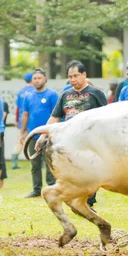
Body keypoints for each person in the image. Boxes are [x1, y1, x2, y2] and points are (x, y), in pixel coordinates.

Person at [36, 60, 107, 207]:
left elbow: (107, 117)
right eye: (70, 76)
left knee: (89, 172)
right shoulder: (65, 94)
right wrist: (43, 136)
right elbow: (55, 117)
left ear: (84, 75)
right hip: (68, 142)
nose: (73, 79)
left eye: (76, 76)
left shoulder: (96, 93)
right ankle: (75, 199)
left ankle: (89, 202)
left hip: (90, 141)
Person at [19, 68, 58, 198]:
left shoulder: (52, 95)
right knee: (34, 163)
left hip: (49, 134)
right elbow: (25, 115)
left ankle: (51, 188)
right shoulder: (28, 96)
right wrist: (22, 132)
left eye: (39, 78)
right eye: (34, 78)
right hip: (33, 135)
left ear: (45, 79)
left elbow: (56, 114)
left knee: (49, 162)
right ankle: (36, 190)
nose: (36, 80)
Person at [12, 72, 35, 170]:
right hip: (32, 120)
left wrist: (17, 120)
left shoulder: (21, 91)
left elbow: (17, 108)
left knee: (20, 140)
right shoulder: (35, 91)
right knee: (34, 140)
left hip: (22, 119)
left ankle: (14, 162)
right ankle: (36, 160)